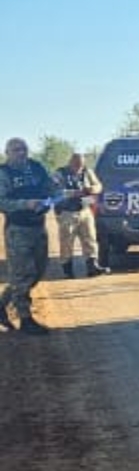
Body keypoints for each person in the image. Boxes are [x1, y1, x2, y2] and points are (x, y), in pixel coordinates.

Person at [0, 137, 59, 334]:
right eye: (16, 150)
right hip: (18, 229)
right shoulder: (4, 173)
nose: (21, 153)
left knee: (36, 273)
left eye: (24, 149)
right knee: (22, 274)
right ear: (7, 153)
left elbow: (50, 187)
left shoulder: (36, 167)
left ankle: (1, 304)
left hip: (38, 226)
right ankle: (25, 319)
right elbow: (2, 201)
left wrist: (59, 192)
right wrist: (25, 204)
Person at [54, 152, 105, 277]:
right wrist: (74, 193)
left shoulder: (87, 172)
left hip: (85, 210)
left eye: (81, 165)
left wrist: (92, 189)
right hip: (67, 212)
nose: (78, 167)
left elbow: (99, 186)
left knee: (90, 239)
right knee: (66, 242)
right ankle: (67, 269)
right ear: (70, 162)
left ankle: (92, 266)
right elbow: (53, 191)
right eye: (76, 164)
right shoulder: (60, 173)